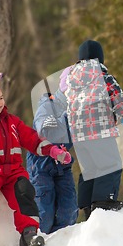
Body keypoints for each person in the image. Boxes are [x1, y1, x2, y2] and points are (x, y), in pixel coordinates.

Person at [0, 73, 72, 246]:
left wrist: (52, 150)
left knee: (25, 190)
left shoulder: (11, 121)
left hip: (14, 171)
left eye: (1, 98)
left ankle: (29, 233)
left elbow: (31, 138)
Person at [63, 40, 123, 220]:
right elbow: (120, 102)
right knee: (110, 165)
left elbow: (68, 108)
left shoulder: (70, 81)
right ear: (100, 57)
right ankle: (103, 203)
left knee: (90, 170)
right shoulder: (104, 77)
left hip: (79, 136)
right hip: (100, 130)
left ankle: (87, 205)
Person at [26, 71, 78, 234]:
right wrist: (67, 117)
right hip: (41, 163)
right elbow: (45, 130)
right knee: (45, 212)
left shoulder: (78, 109)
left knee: (68, 210)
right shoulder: (48, 105)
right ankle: (38, 237)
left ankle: (60, 241)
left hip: (62, 163)